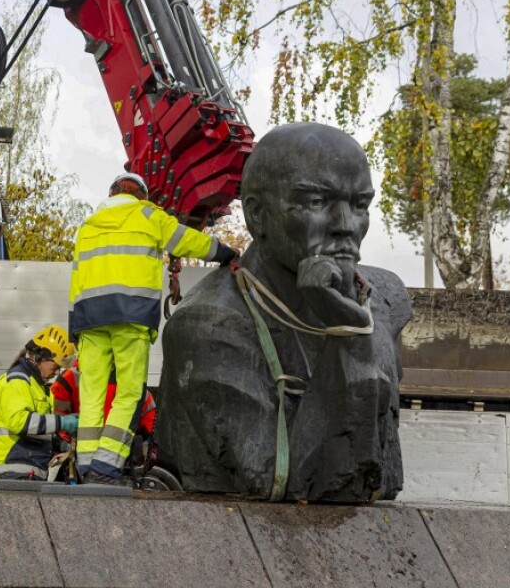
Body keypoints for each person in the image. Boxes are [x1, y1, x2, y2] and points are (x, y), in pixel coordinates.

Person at [155, 122, 412, 503]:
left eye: (360, 205)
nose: (346, 226)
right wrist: (347, 334)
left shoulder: (385, 297)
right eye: (316, 202)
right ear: (256, 215)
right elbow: (286, 486)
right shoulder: (209, 328)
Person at [68, 172, 236, 485]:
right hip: (130, 317)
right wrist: (225, 253)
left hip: (90, 320)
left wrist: (73, 327)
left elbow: (76, 277)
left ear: (113, 192)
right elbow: (187, 240)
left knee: (90, 395)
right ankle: (104, 470)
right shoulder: (147, 215)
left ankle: (86, 466)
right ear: (141, 194)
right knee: (129, 394)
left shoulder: (88, 226)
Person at [0, 324, 79, 480]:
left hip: (27, 471)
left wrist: (57, 442)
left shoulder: (38, 387)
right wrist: (61, 422)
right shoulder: (17, 380)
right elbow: (19, 422)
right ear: (41, 357)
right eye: (56, 366)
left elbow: (38, 429)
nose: (57, 372)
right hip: (15, 471)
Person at [51, 362, 156, 438]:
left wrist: (147, 440)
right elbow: (58, 419)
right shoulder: (70, 378)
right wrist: (64, 441)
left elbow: (148, 412)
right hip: (83, 452)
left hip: (116, 453)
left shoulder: (128, 379)